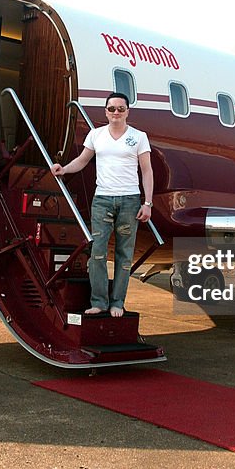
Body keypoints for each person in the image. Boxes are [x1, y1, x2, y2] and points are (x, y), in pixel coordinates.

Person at [51, 92, 153, 317]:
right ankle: (98, 302)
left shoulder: (139, 137)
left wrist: (147, 203)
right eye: (111, 108)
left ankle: (117, 302)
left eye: (120, 108)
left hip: (129, 200)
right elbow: (83, 160)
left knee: (124, 255)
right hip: (102, 200)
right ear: (105, 111)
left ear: (128, 111)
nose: (116, 112)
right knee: (97, 251)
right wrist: (64, 169)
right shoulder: (96, 135)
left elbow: (147, 170)